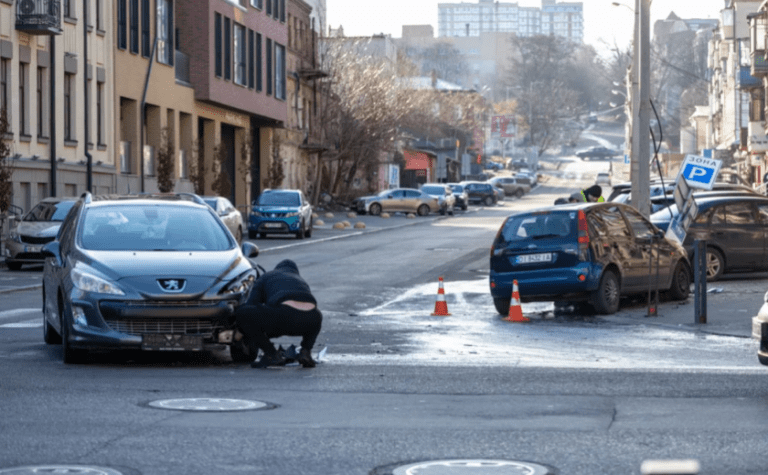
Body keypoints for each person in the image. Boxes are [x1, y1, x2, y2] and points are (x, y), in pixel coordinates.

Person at [234, 259, 322, 368]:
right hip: (313, 318)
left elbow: (252, 303)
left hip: (283, 315)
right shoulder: (300, 280)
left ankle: (271, 354)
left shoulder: (267, 276)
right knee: (316, 315)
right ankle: (306, 352)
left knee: (243, 313)